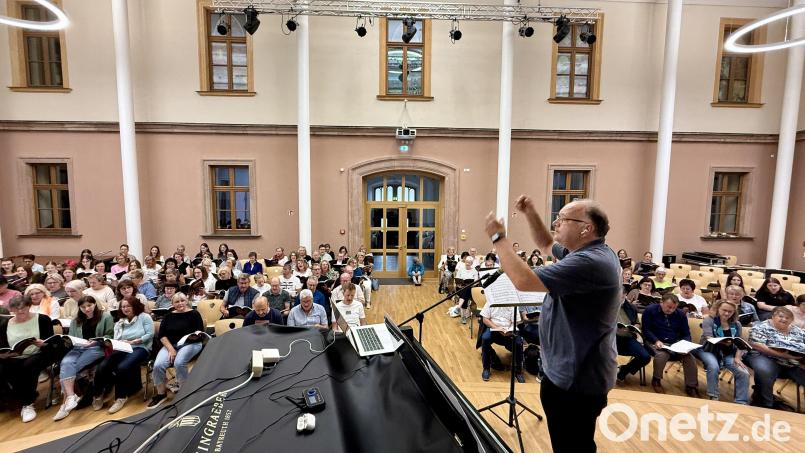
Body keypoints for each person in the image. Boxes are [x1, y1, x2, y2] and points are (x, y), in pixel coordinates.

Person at [484, 196, 621, 453]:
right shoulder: (586, 252)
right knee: (570, 443)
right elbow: (546, 243)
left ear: (586, 228)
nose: (556, 222)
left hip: (577, 379)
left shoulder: (590, 262)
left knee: (572, 446)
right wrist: (531, 212)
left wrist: (497, 239)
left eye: (563, 218)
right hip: (568, 371)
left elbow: (524, 281)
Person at [0, 294, 62, 422]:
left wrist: (43, 344)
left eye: (23, 308)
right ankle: (19, 398)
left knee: (28, 365)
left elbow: (53, 343)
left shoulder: (42, 319)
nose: (20, 311)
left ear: (29, 306)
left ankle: (27, 403)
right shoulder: (5, 323)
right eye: (16, 309)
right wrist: (5, 354)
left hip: (41, 353)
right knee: (5, 366)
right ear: (12, 310)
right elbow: (3, 345)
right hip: (16, 355)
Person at [53, 296, 114, 420]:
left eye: (89, 306)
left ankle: (64, 404)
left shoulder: (105, 316)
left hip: (96, 348)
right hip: (78, 348)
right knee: (65, 363)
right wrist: (67, 340)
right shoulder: (76, 320)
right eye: (83, 307)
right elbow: (71, 338)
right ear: (79, 308)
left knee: (70, 368)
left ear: (95, 305)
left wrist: (95, 342)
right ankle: (71, 396)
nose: (87, 309)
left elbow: (110, 335)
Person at [91, 297, 153, 414]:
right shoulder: (120, 322)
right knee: (102, 366)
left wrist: (134, 341)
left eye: (128, 306)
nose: (125, 309)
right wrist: (110, 342)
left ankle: (120, 397)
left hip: (141, 347)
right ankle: (98, 394)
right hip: (123, 348)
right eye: (123, 306)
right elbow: (117, 339)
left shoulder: (145, 317)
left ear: (135, 306)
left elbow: (150, 334)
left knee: (122, 367)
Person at [147, 292, 204, 408]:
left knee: (179, 362)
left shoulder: (194, 313)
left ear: (186, 301)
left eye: (182, 300)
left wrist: (195, 336)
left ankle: (184, 391)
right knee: (158, 365)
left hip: (190, 343)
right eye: (177, 302)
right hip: (171, 345)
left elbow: (200, 332)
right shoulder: (168, 316)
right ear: (172, 303)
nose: (180, 303)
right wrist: (171, 349)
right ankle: (161, 394)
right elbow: (162, 336)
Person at [744, 306, 805, 408]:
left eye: (788, 318)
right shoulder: (761, 326)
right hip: (764, 356)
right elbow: (757, 345)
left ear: (792, 320)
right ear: (773, 316)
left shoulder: (797, 331)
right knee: (765, 370)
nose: (784, 319)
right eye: (781, 316)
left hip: (793, 361)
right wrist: (783, 355)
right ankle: (766, 403)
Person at [691, 300, 750, 404]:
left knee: (743, 372)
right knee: (713, 366)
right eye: (724, 310)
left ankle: (741, 401)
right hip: (708, 349)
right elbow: (708, 336)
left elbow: (739, 342)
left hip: (729, 352)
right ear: (718, 309)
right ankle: (713, 396)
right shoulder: (709, 320)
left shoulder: (737, 324)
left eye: (730, 312)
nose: (727, 313)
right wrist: (723, 342)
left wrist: (737, 358)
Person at [642, 294, 700, 396]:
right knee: (662, 355)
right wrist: (656, 340)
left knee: (689, 357)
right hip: (654, 341)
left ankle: (691, 386)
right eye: (669, 307)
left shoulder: (681, 314)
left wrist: (685, 344)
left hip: (674, 343)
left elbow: (686, 333)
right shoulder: (650, 310)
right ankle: (656, 380)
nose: (671, 310)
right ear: (661, 302)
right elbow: (646, 330)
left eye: (674, 308)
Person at [478, 296, 524, 382]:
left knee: (518, 343)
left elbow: (516, 322)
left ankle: (518, 371)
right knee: (485, 338)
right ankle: (486, 368)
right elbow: (485, 319)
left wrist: (509, 330)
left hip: (509, 330)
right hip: (494, 329)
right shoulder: (491, 301)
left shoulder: (513, 304)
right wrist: (497, 328)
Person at [615, 297, 651, 384]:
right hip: (610, 338)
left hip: (628, 337)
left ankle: (623, 371)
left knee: (645, 356)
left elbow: (637, 322)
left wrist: (636, 326)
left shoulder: (631, 307)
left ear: (625, 294)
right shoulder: (606, 304)